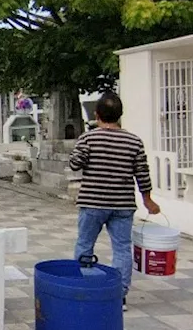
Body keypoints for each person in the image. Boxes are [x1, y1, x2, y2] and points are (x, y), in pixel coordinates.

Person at [68, 92, 160, 310]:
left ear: (97, 114)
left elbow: (75, 164)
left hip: (92, 202)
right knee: (121, 248)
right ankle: (119, 295)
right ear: (120, 115)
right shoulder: (134, 141)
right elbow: (142, 173)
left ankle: (86, 286)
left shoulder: (89, 138)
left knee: (85, 244)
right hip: (123, 204)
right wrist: (148, 200)